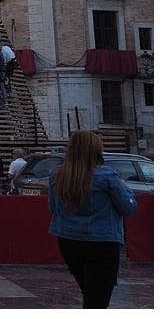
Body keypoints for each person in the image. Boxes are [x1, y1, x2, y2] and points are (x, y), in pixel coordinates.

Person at [48, 130, 138, 308]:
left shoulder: (56, 175)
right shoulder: (107, 176)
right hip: (102, 243)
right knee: (97, 300)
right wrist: (126, 188)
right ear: (97, 150)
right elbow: (128, 208)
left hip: (68, 241)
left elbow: (53, 208)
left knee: (90, 293)